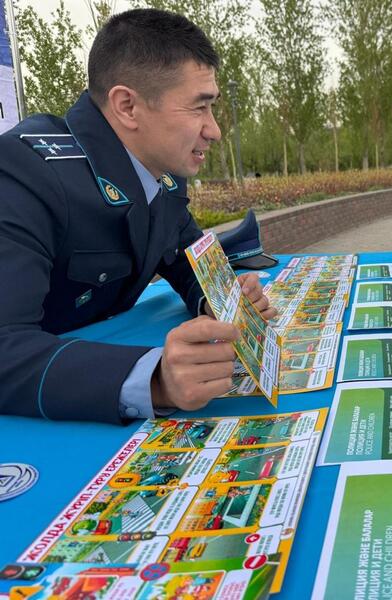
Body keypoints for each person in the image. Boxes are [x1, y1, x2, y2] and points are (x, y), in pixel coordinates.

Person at [0, 9, 276, 424]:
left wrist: (221, 300)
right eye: (199, 108)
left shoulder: (161, 173)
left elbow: (188, 261)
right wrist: (154, 379)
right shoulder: (24, 171)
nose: (215, 130)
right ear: (127, 105)